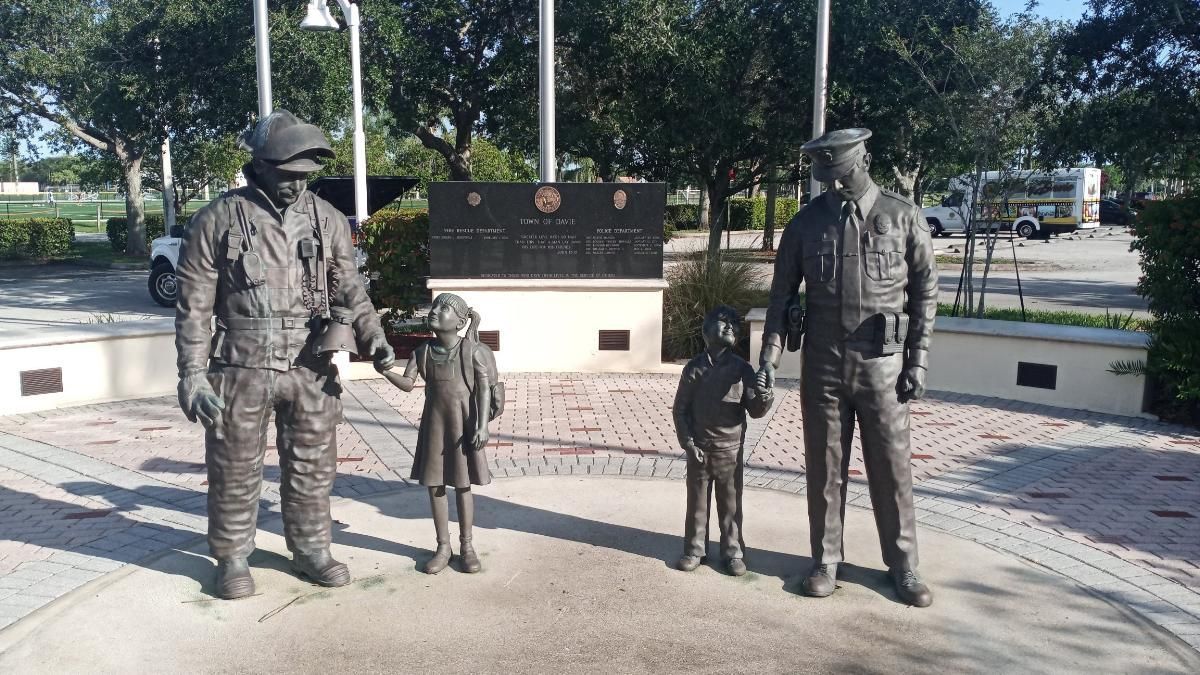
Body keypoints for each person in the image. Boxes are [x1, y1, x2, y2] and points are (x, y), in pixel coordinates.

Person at [174, 110, 394, 600]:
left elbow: (351, 287)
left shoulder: (327, 219)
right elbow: (193, 307)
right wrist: (192, 372)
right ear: (261, 166)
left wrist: (372, 334)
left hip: (311, 365)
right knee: (233, 465)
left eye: (304, 177)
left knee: (314, 463)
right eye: (288, 175)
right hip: (240, 365)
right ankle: (231, 556)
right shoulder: (216, 219)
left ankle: (312, 548)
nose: (297, 185)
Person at [756, 128, 938, 607]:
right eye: (827, 175)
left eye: (840, 171)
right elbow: (781, 298)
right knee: (825, 467)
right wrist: (768, 360)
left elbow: (925, 294)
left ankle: (904, 566)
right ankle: (825, 559)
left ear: (862, 160)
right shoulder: (805, 224)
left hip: (882, 366)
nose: (834, 182)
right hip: (823, 365)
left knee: (892, 468)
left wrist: (916, 359)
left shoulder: (903, 217)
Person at [379, 293, 497, 575]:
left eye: (445, 308)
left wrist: (482, 425)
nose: (436, 311)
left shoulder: (473, 351)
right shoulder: (423, 352)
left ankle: (467, 546)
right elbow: (408, 384)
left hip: (464, 425)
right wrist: (385, 371)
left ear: (459, 321)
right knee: (435, 485)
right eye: (435, 305)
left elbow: (483, 389)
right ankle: (443, 546)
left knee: (463, 483)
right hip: (434, 425)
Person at [673, 305, 774, 576]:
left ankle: (733, 551)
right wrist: (688, 443)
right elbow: (680, 410)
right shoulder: (693, 369)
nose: (730, 326)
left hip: (730, 451)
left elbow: (756, 410)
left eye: (734, 323)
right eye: (722, 322)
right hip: (700, 451)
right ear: (706, 332)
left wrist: (764, 395)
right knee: (697, 505)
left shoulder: (743, 370)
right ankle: (695, 549)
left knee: (730, 506)